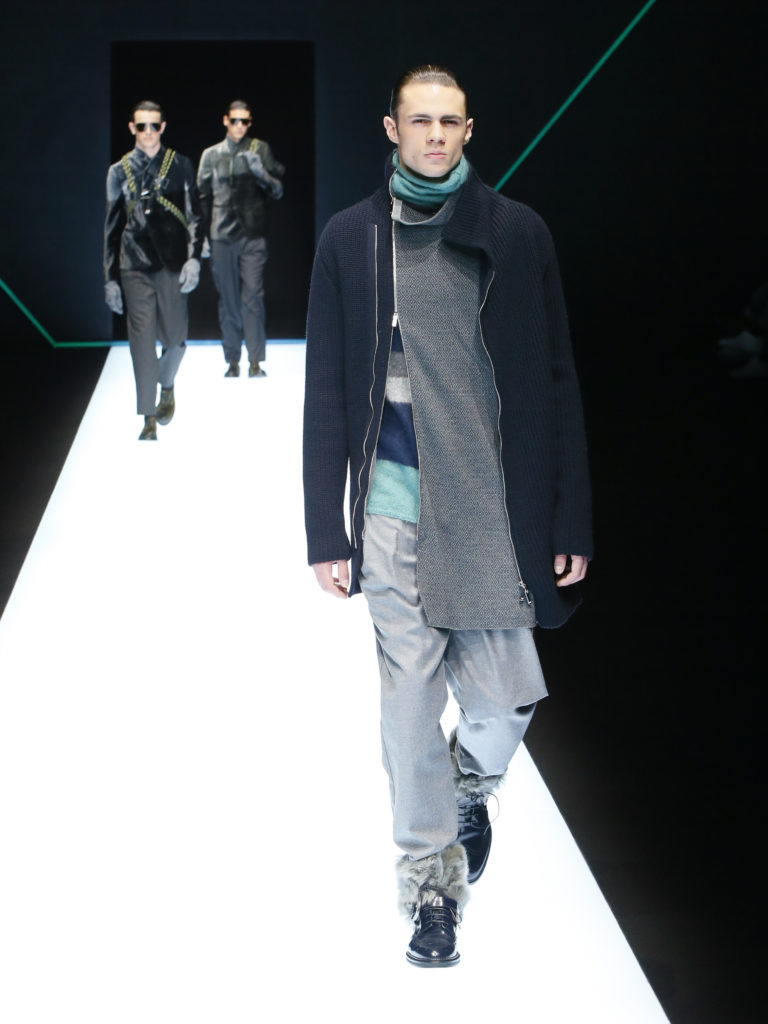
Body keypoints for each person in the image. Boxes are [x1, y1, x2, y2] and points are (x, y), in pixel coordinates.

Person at [303, 66, 593, 967]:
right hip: (392, 514)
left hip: (489, 510)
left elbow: (556, 380)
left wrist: (571, 519)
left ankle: (469, 786)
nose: (434, 135)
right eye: (419, 120)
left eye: (449, 122)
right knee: (408, 711)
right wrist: (326, 530)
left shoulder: (515, 232)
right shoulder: (352, 238)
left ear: (470, 130)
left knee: (506, 697)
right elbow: (327, 389)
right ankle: (432, 891)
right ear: (392, 128)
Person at [104, 100, 203, 440]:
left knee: (175, 340)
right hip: (133, 264)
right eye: (141, 126)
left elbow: (195, 215)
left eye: (154, 126)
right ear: (132, 128)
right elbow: (111, 228)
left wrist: (194, 258)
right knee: (141, 341)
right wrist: (110, 278)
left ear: (163, 127)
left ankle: (166, 383)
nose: (148, 132)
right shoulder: (118, 171)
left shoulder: (180, 164)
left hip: (172, 263)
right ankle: (148, 416)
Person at [197, 100, 285, 378]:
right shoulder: (211, 155)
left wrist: (261, 173)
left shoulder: (260, 149)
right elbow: (201, 197)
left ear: (249, 123)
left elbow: (277, 190)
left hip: (252, 235)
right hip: (221, 234)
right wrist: (200, 237)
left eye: (244, 121)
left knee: (253, 296)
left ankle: (255, 361)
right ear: (225, 121)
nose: (239, 126)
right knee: (228, 299)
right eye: (234, 120)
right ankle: (232, 360)